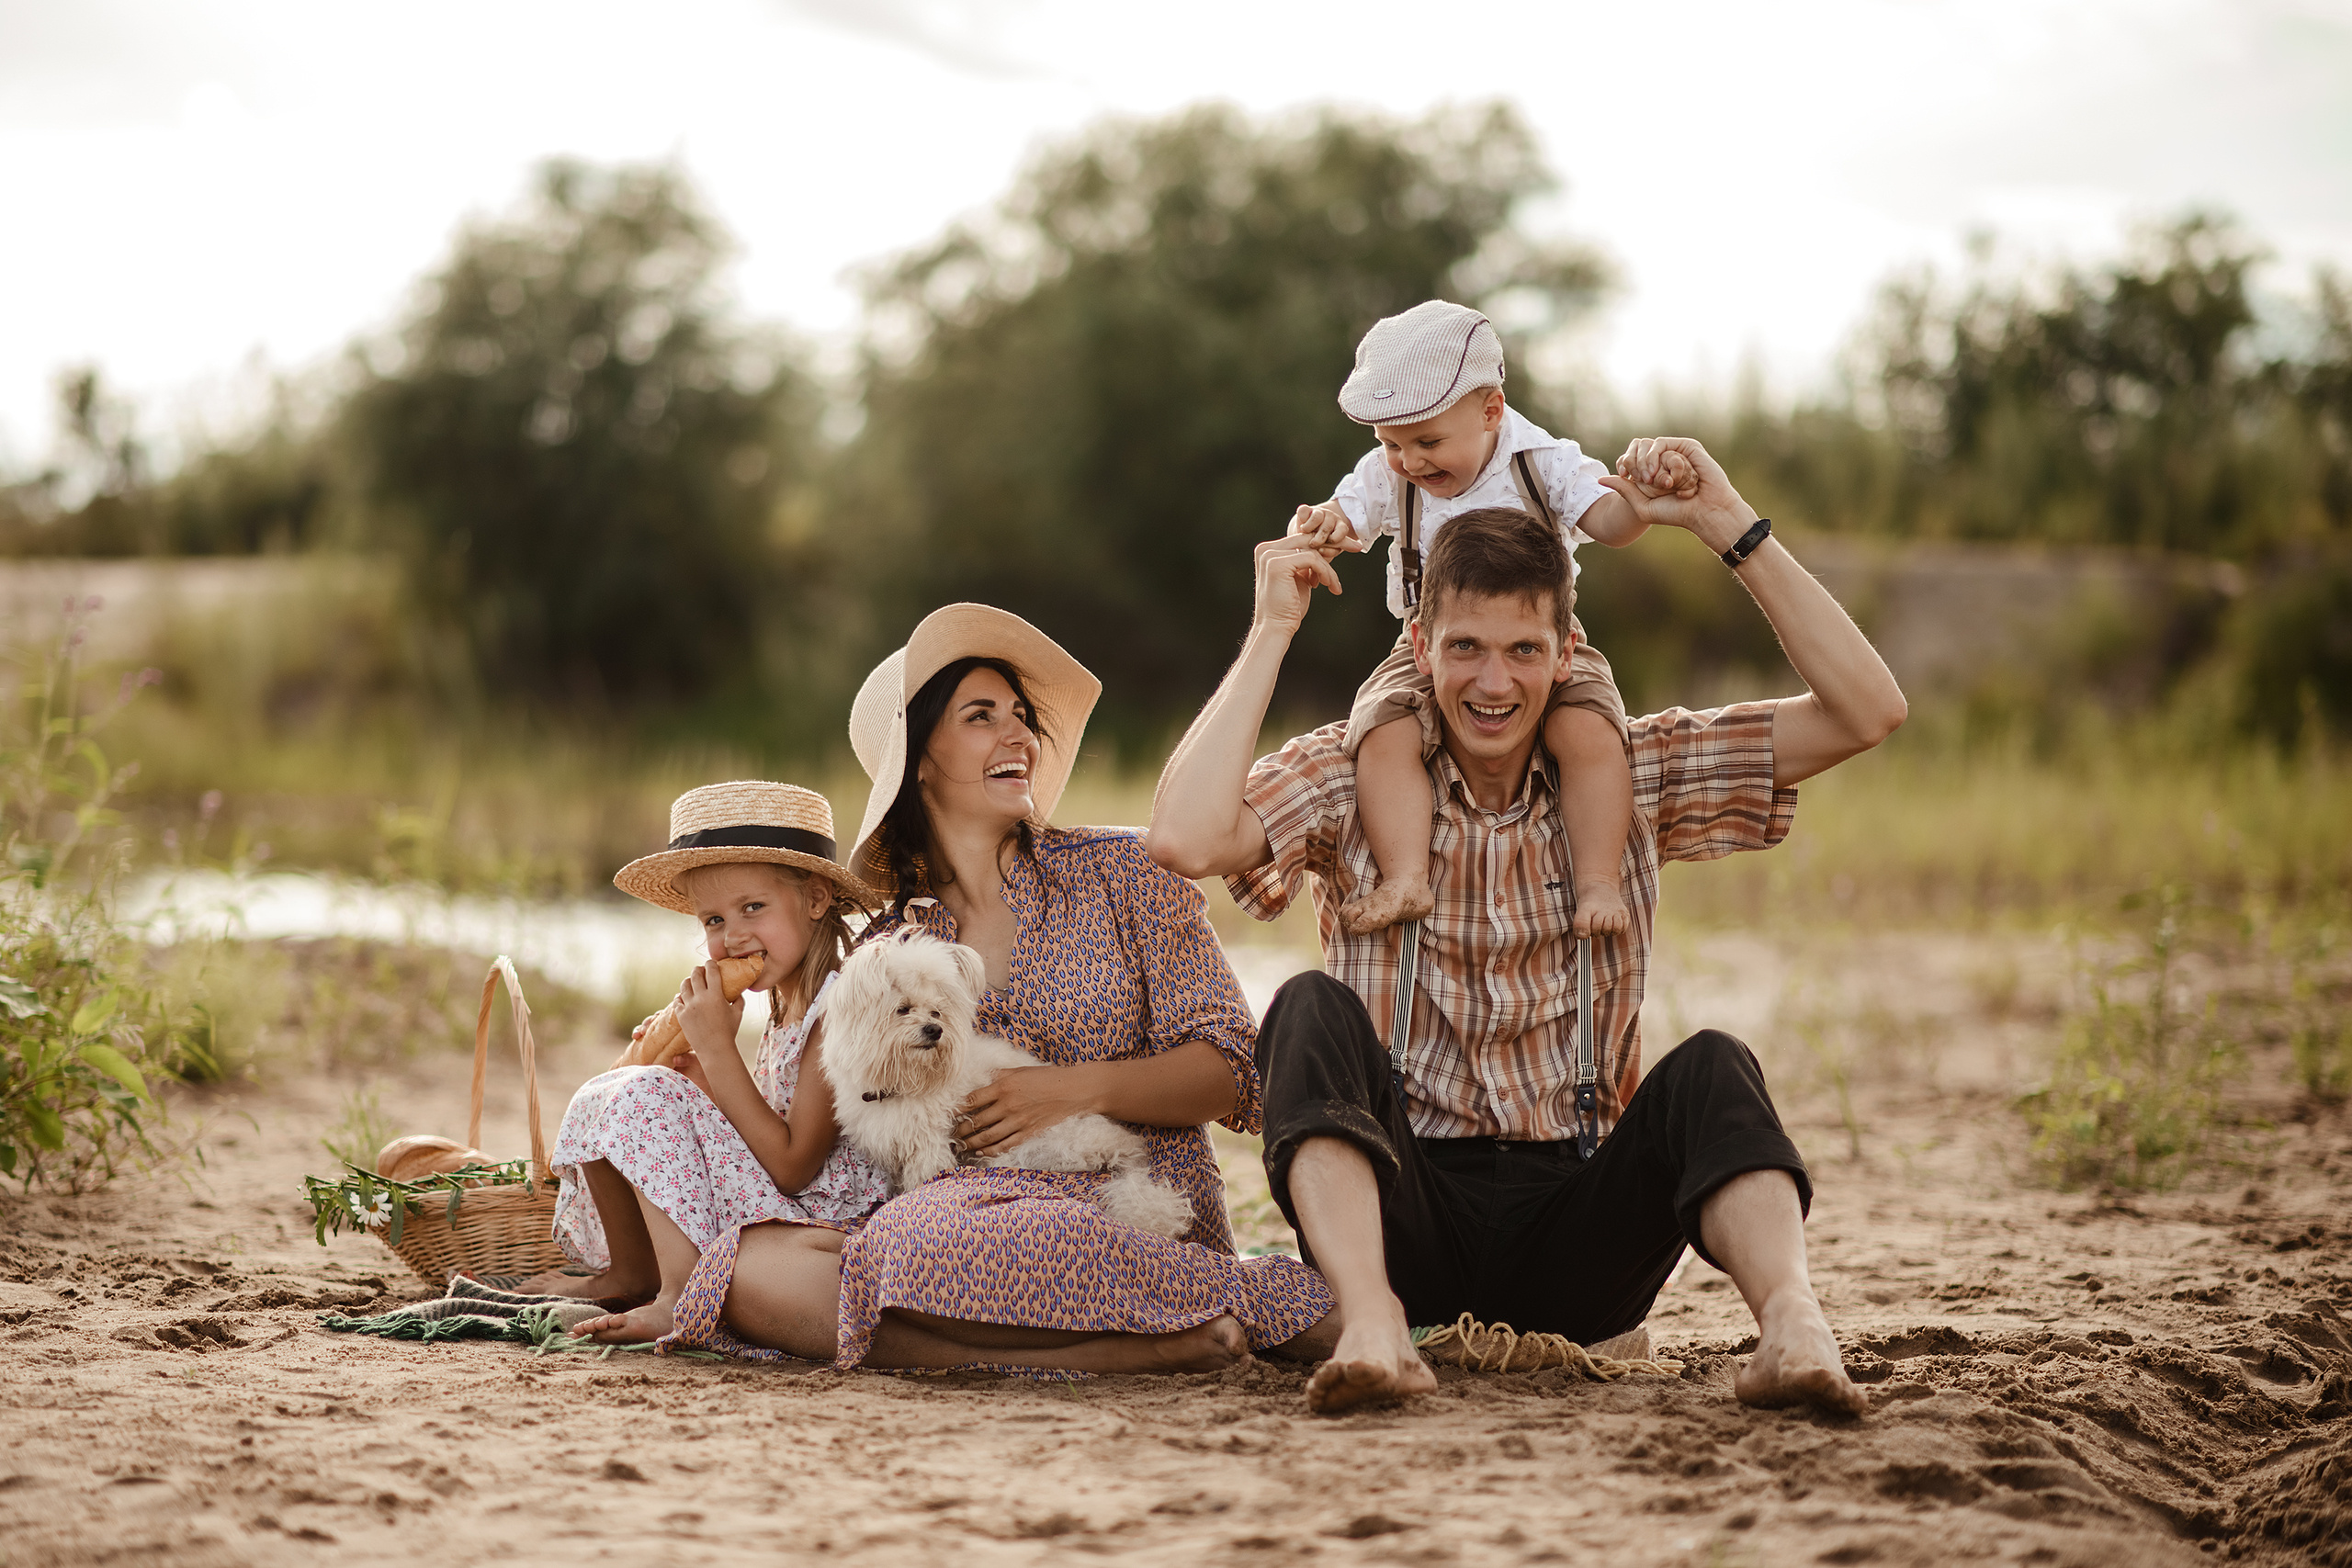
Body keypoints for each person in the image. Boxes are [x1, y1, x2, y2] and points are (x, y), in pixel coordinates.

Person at [1146, 437, 1908, 1416]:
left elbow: (1866, 712)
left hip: (1579, 1238)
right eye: (1464, 647)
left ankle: (1793, 1323)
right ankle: (1373, 1325)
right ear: (1419, 649)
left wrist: (1728, 523)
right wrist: (1270, 629)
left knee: (1715, 1066)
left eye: (1522, 650)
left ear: (1565, 655)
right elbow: (1183, 837)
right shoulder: (1355, 774)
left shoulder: (1629, 774)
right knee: (1305, 1009)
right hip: (1402, 1216)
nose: (1492, 682)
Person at [697, 605, 1339, 1375]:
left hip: (1126, 1206)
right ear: (920, 761)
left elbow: (1235, 1070)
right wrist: (698, 1060)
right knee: (756, 1274)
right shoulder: (880, 953)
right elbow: (841, 1131)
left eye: (1022, 717)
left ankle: (1221, 1295)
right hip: (958, 1218)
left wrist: (1066, 1090)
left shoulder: (1123, 871)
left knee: (915, 1248)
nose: (1020, 736)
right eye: (981, 716)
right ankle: (1150, 1346)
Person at [1286, 300, 1691, 940]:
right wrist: (1324, 529)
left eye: (1427, 442)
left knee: (1591, 731)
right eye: (1391, 444)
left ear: (1491, 411)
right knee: (1381, 731)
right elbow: (1343, 517)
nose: (1410, 462)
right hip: (1427, 645)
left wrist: (1643, 500)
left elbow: (1610, 523)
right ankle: (1405, 875)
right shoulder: (1389, 476)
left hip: (1546, 646)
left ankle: (1598, 882)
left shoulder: (1541, 461)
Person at [523, 781, 892, 1347]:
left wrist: (719, 1052)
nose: (733, 935)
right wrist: (703, 1080)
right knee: (616, 1088)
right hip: (782, 1200)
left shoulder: (839, 1010)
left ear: (817, 899)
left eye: (753, 907)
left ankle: (678, 1296)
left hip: (817, 1224)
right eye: (712, 921)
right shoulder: (784, 1006)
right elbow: (770, 1123)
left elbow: (795, 1167)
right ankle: (632, 1273)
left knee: (643, 1096)